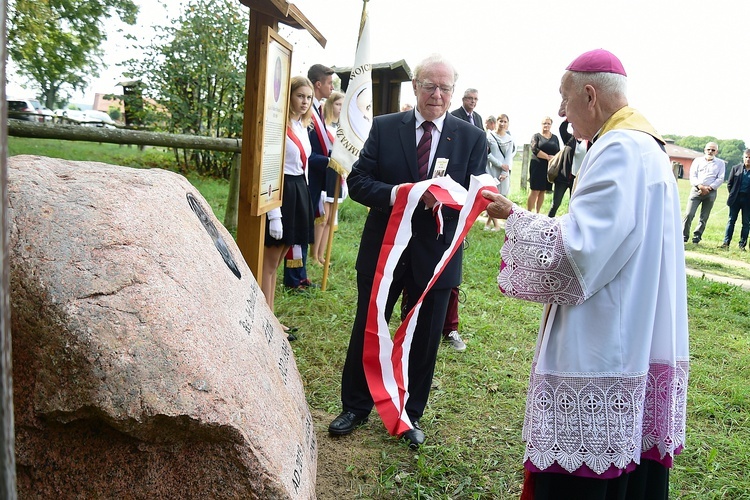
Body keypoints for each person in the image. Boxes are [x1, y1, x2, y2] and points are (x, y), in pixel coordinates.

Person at [482, 49, 688, 499]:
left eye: (565, 97)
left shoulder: (618, 150)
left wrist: (514, 216)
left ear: (590, 95)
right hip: (637, 331)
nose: (560, 111)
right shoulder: (650, 147)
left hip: (601, 344)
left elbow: (579, 252)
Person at [328, 54, 487, 448]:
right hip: (385, 251)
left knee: (426, 336)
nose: (436, 94)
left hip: (437, 256)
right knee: (370, 326)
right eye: (429, 85)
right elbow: (359, 183)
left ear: (453, 91)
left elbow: (477, 195)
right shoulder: (384, 128)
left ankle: (409, 412)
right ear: (415, 86)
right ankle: (357, 405)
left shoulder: (471, 137)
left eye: (444, 87)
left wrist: (447, 200)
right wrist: (401, 195)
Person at [262, 76, 315, 340]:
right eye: (300, 96)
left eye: (308, 97)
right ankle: (264, 318)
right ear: (289, 96)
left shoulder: (302, 125)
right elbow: (271, 168)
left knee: (280, 257)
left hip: (298, 192)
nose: (304, 102)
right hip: (281, 192)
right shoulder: (278, 126)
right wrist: (274, 214)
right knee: (269, 263)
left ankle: (271, 317)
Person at [284, 63, 335, 289]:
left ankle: (301, 275)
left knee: (304, 230)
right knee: (296, 231)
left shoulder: (314, 111)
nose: (332, 87)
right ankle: (294, 279)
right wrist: (329, 161)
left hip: (307, 178)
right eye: (329, 83)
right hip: (301, 177)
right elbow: (310, 152)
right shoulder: (307, 113)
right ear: (318, 84)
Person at [314, 91, 347, 265]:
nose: (340, 108)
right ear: (330, 104)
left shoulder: (342, 128)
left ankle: (322, 255)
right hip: (326, 174)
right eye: (337, 104)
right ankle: (314, 256)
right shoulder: (323, 127)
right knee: (323, 218)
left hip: (337, 175)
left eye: (343, 105)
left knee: (331, 218)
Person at [682, 142, 725, 244]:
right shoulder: (697, 161)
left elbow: (720, 178)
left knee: (704, 217)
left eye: (713, 150)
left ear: (716, 152)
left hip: (711, 192)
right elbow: (692, 175)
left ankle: (697, 237)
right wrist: (700, 186)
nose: (710, 151)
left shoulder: (720, 163)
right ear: (705, 150)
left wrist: (709, 188)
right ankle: (684, 236)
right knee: (689, 214)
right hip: (696, 190)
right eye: (708, 149)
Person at [485, 113, 516, 230]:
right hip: (491, 169)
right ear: (496, 122)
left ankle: (489, 223)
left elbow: (509, 156)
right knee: (492, 196)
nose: (502, 124)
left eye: (505, 122)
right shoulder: (489, 136)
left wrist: (505, 172)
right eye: (500, 121)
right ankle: (496, 225)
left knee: (502, 197)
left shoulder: (510, 139)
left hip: (504, 172)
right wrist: (500, 165)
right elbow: (487, 154)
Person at [527, 117, 559, 213]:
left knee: (543, 190)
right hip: (537, 165)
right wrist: (547, 157)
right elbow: (534, 148)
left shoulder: (555, 137)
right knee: (535, 190)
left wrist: (553, 159)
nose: (546, 125)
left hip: (549, 167)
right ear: (541, 124)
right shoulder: (536, 136)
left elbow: (558, 150)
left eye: (548, 123)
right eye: (544, 123)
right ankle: (528, 212)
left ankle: (537, 213)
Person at [720, 149, 750, 250]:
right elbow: (729, 184)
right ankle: (726, 243)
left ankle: (742, 245)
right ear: (743, 157)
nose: (748, 159)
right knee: (731, 221)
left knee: (746, 223)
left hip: (748, 201)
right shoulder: (736, 168)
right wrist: (733, 194)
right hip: (735, 199)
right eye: (746, 157)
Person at [547, 119, 579, 217]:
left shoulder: (588, 142)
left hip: (577, 179)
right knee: (555, 204)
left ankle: (571, 228)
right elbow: (562, 128)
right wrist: (569, 117)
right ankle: (548, 224)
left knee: (573, 206)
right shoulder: (569, 139)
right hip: (563, 178)